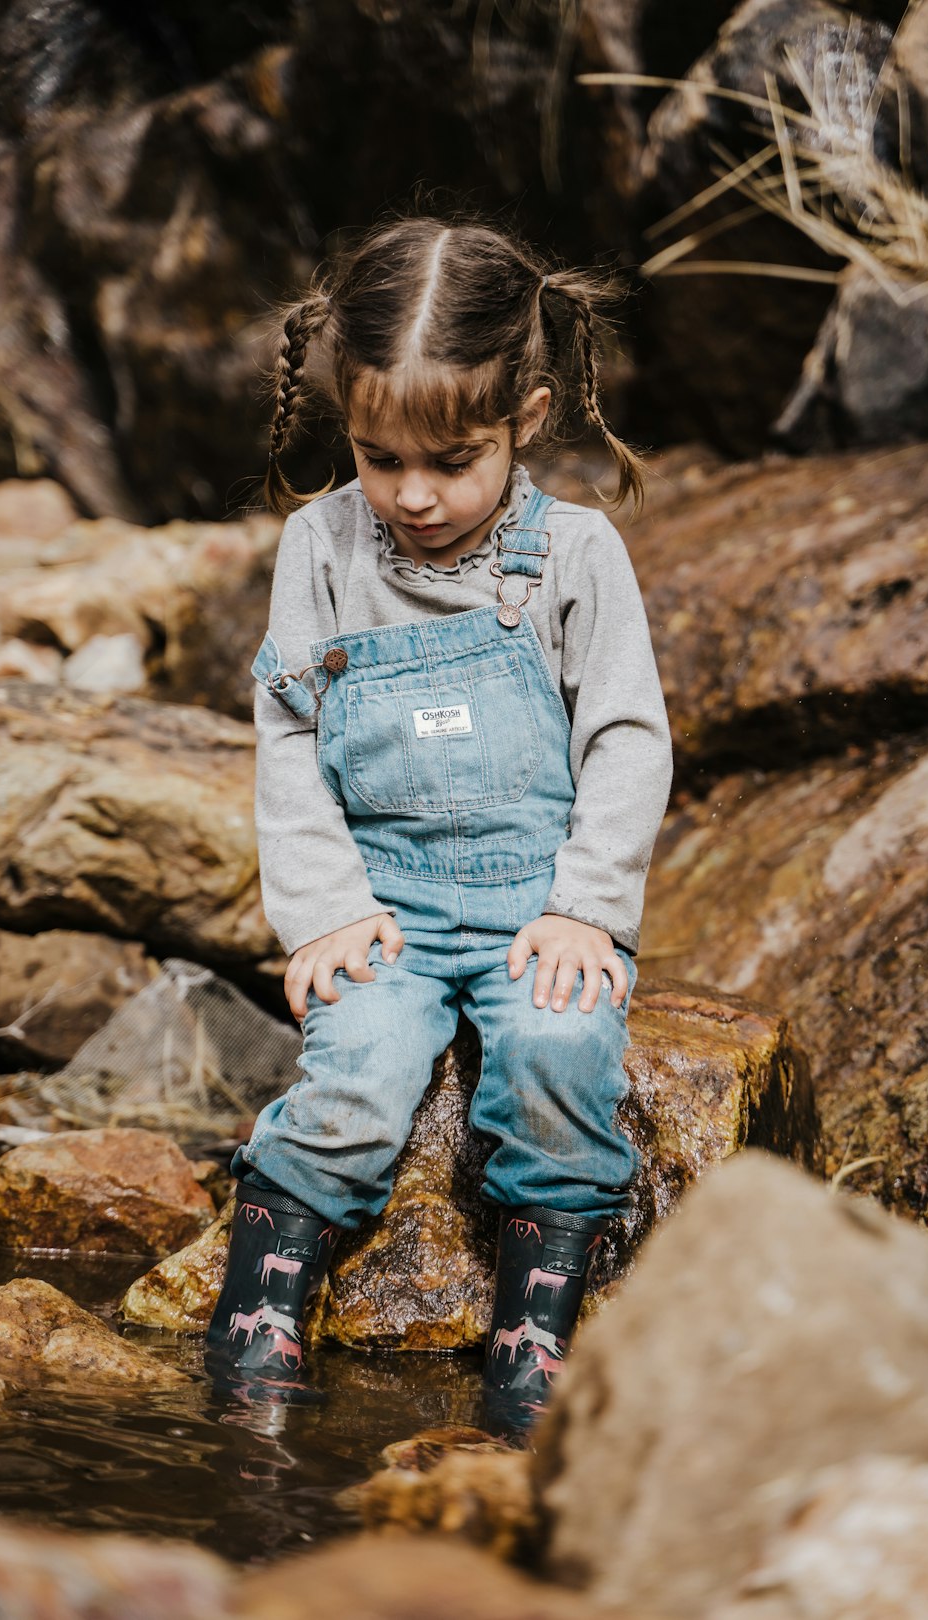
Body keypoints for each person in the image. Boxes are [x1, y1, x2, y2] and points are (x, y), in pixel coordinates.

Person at [204, 214, 673, 1428]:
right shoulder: (319, 546)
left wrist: (587, 909)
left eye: (451, 461)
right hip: (386, 906)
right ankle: (261, 1312)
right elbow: (291, 737)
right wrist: (321, 912)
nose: (413, 497)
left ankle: (534, 1339)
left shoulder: (576, 553)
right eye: (377, 456)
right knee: (355, 1074)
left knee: (562, 1057)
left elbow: (625, 738)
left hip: (537, 903)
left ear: (526, 412)